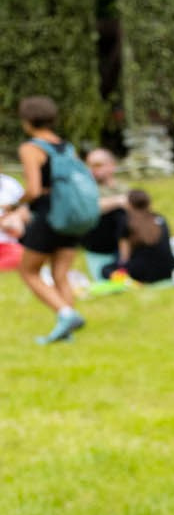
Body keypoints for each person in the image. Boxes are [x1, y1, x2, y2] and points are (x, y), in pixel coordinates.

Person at [13, 95, 87, 344]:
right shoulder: (67, 147)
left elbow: (34, 189)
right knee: (60, 274)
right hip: (72, 214)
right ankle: (67, 335)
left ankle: (66, 314)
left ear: (27, 121)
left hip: (49, 215)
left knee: (28, 271)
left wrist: (14, 204)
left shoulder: (31, 148)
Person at [77, 148, 131, 288]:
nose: (93, 170)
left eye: (98, 165)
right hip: (97, 241)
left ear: (112, 165)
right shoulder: (85, 187)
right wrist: (118, 201)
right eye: (90, 165)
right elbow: (88, 209)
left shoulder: (124, 187)